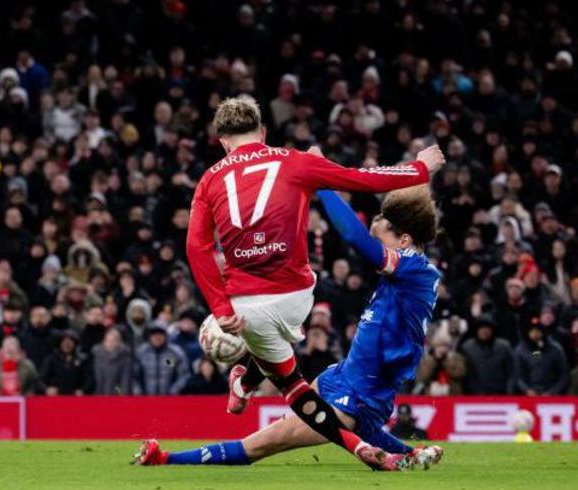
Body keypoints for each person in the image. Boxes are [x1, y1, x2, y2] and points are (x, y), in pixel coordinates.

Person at [185, 96, 444, 468]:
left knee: (262, 440)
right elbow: (362, 178)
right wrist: (418, 168)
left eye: (382, 225)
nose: (375, 227)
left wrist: (221, 308)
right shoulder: (293, 161)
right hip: (321, 338)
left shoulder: (209, 179)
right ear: (263, 132)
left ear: (223, 142)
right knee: (289, 340)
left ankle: (171, 454)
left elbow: (197, 246)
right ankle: (245, 383)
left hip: (253, 306)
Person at [138, 186, 446, 471]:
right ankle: (244, 380)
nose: (374, 248)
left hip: (363, 390)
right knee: (343, 417)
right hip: (344, 376)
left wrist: (321, 182)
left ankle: (166, 458)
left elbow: (353, 235)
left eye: (380, 240)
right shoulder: (407, 274)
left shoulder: (414, 269)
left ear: (404, 240)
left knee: (261, 444)